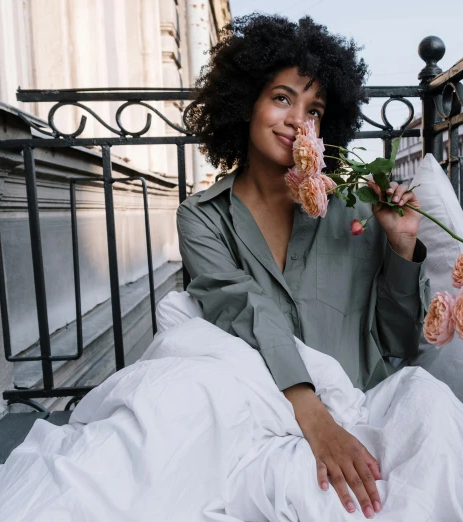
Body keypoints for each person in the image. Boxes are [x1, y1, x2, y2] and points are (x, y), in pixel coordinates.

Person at [178, 15, 428, 520]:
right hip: (264, 424)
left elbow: (400, 344)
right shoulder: (201, 219)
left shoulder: (358, 213)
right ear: (245, 102)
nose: (298, 121)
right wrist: (316, 419)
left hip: (367, 420)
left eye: (314, 110)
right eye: (282, 98)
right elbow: (241, 309)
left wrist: (401, 248)